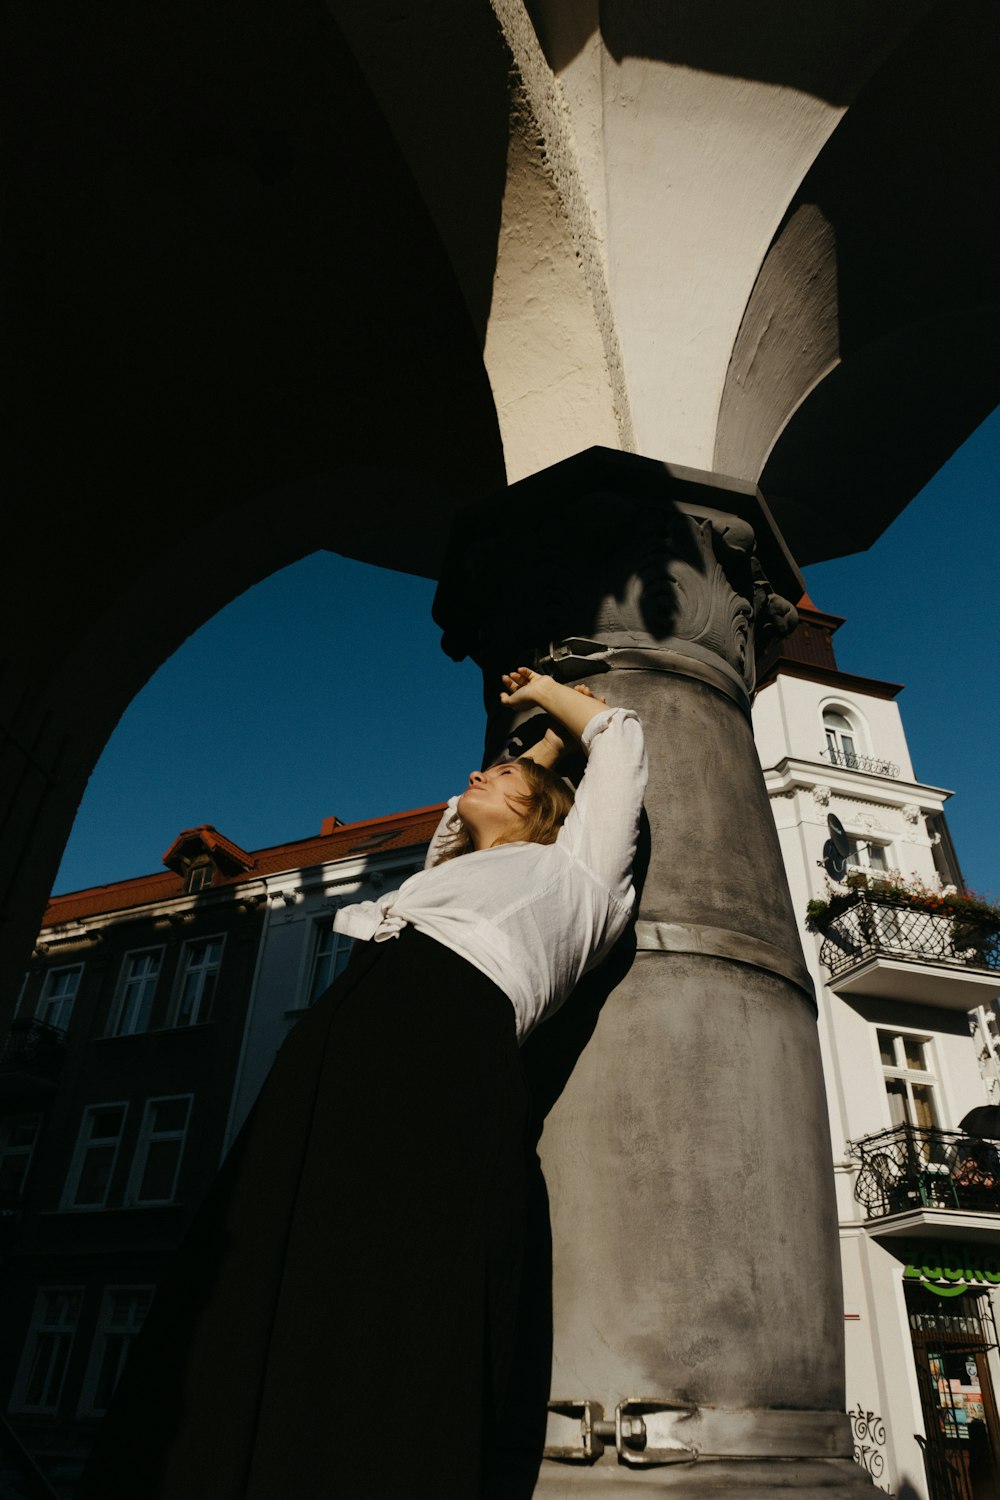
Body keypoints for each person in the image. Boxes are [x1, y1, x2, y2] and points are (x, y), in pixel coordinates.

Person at [77, 667, 647, 1500]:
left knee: (394, 1287)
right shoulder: (435, 879)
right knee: (266, 1270)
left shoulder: (579, 877)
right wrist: (534, 742)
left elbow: (621, 744)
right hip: (334, 1062)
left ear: (544, 806)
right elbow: (462, 827)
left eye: (503, 772)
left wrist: (550, 692)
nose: (477, 774)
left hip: (440, 1061)